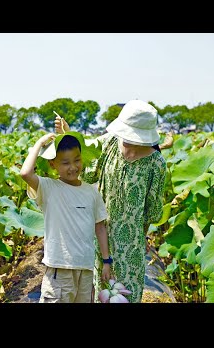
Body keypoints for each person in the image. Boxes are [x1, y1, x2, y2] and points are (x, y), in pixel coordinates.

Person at [55, 99, 167, 303]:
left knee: (127, 297)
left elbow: (153, 213)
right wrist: (68, 136)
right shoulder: (108, 144)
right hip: (101, 236)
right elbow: (87, 175)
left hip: (131, 245)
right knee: (103, 294)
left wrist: (142, 235)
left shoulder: (156, 162)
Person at [20, 131, 112, 303]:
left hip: (85, 268)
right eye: (65, 163)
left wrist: (106, 261)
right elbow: (25, 173)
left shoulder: (92, 192)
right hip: (59, 268)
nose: (73, 167)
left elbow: (100, 227)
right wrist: (40, 143)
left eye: (77, 160)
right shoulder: (48, 188)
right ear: (53, 164)